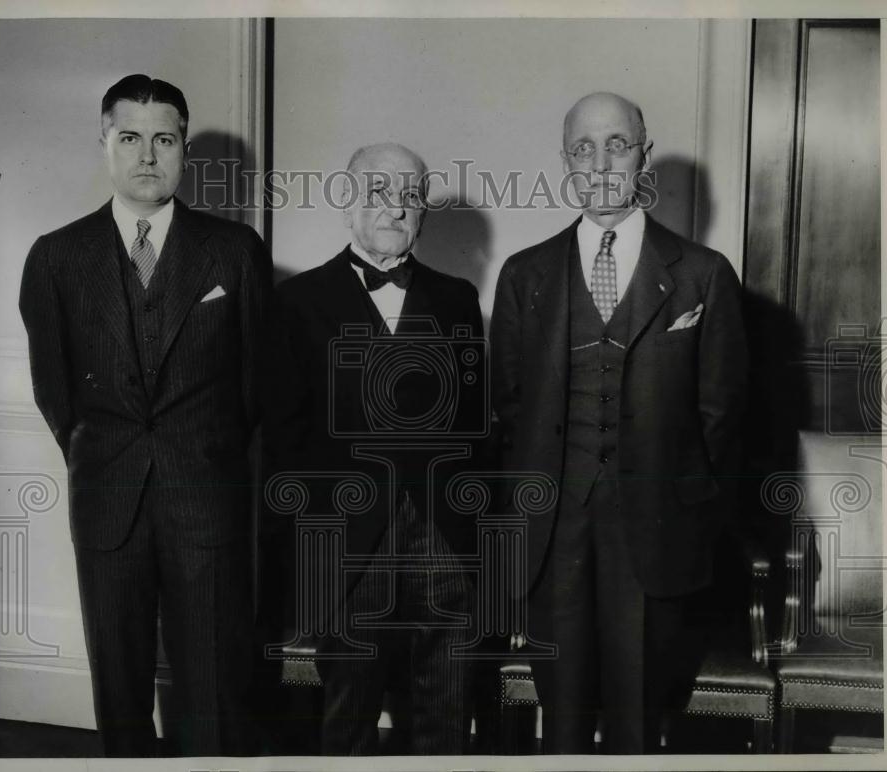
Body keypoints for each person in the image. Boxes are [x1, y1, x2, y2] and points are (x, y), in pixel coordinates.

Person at [19, 74, 271, 757]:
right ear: (105, 142)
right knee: (118, 687)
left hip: (207, 500)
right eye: (130, 137)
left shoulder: (234, 252)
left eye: (164, 138)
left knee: (214, 688)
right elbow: (55, 392)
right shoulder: (56, 257)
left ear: (184, 147)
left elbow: (255, 389)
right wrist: (101, 453)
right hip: (107, 498)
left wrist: (205, 454)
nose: (147, 155)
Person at [490, 92, 747, 754]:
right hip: (554, 535)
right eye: (582, 148)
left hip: (657, 534)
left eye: (616, 145)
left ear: (644, 157)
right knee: (563, 720)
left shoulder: (703, 276)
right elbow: (511, 407)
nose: (599, 163)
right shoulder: (525, 276)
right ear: (565, 163)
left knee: (640, 718)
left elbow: (721, 417)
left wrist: (686, 510)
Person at [264, 143, 484, 755]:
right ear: (347, 202)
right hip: (348, 545)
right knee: (348, 716)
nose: (396, 208)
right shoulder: (296, 302)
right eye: (379, 191)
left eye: (410, 195)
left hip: (441, 540)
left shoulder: (457, 299)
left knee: (445, 712)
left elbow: (473, 433)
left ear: (423, 213)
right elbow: (284, 439)